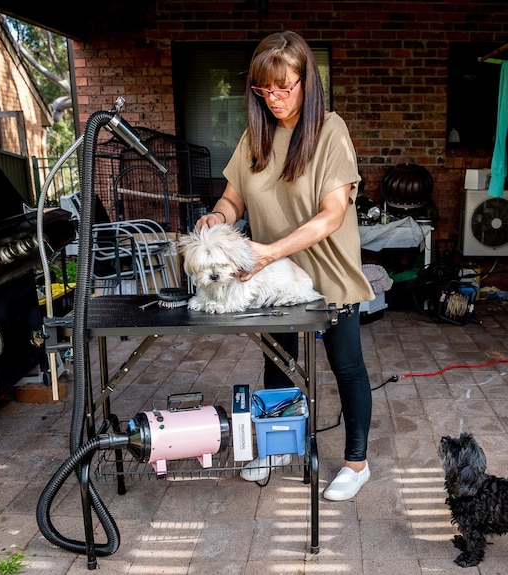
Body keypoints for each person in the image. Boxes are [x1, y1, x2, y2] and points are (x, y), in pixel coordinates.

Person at [195, 30, 375, 501]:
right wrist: (217, 218)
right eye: (263, 90)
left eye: (283, 87)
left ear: (305, 82)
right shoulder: (255, 135)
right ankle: (277, 447)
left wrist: (269, 251)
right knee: (278, 362)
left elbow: (333, 214)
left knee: (346, 366)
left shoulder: (329, 130)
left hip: (325, 271)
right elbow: (233, 198)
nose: (273, 98)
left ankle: (357, 464)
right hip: (272, 276)